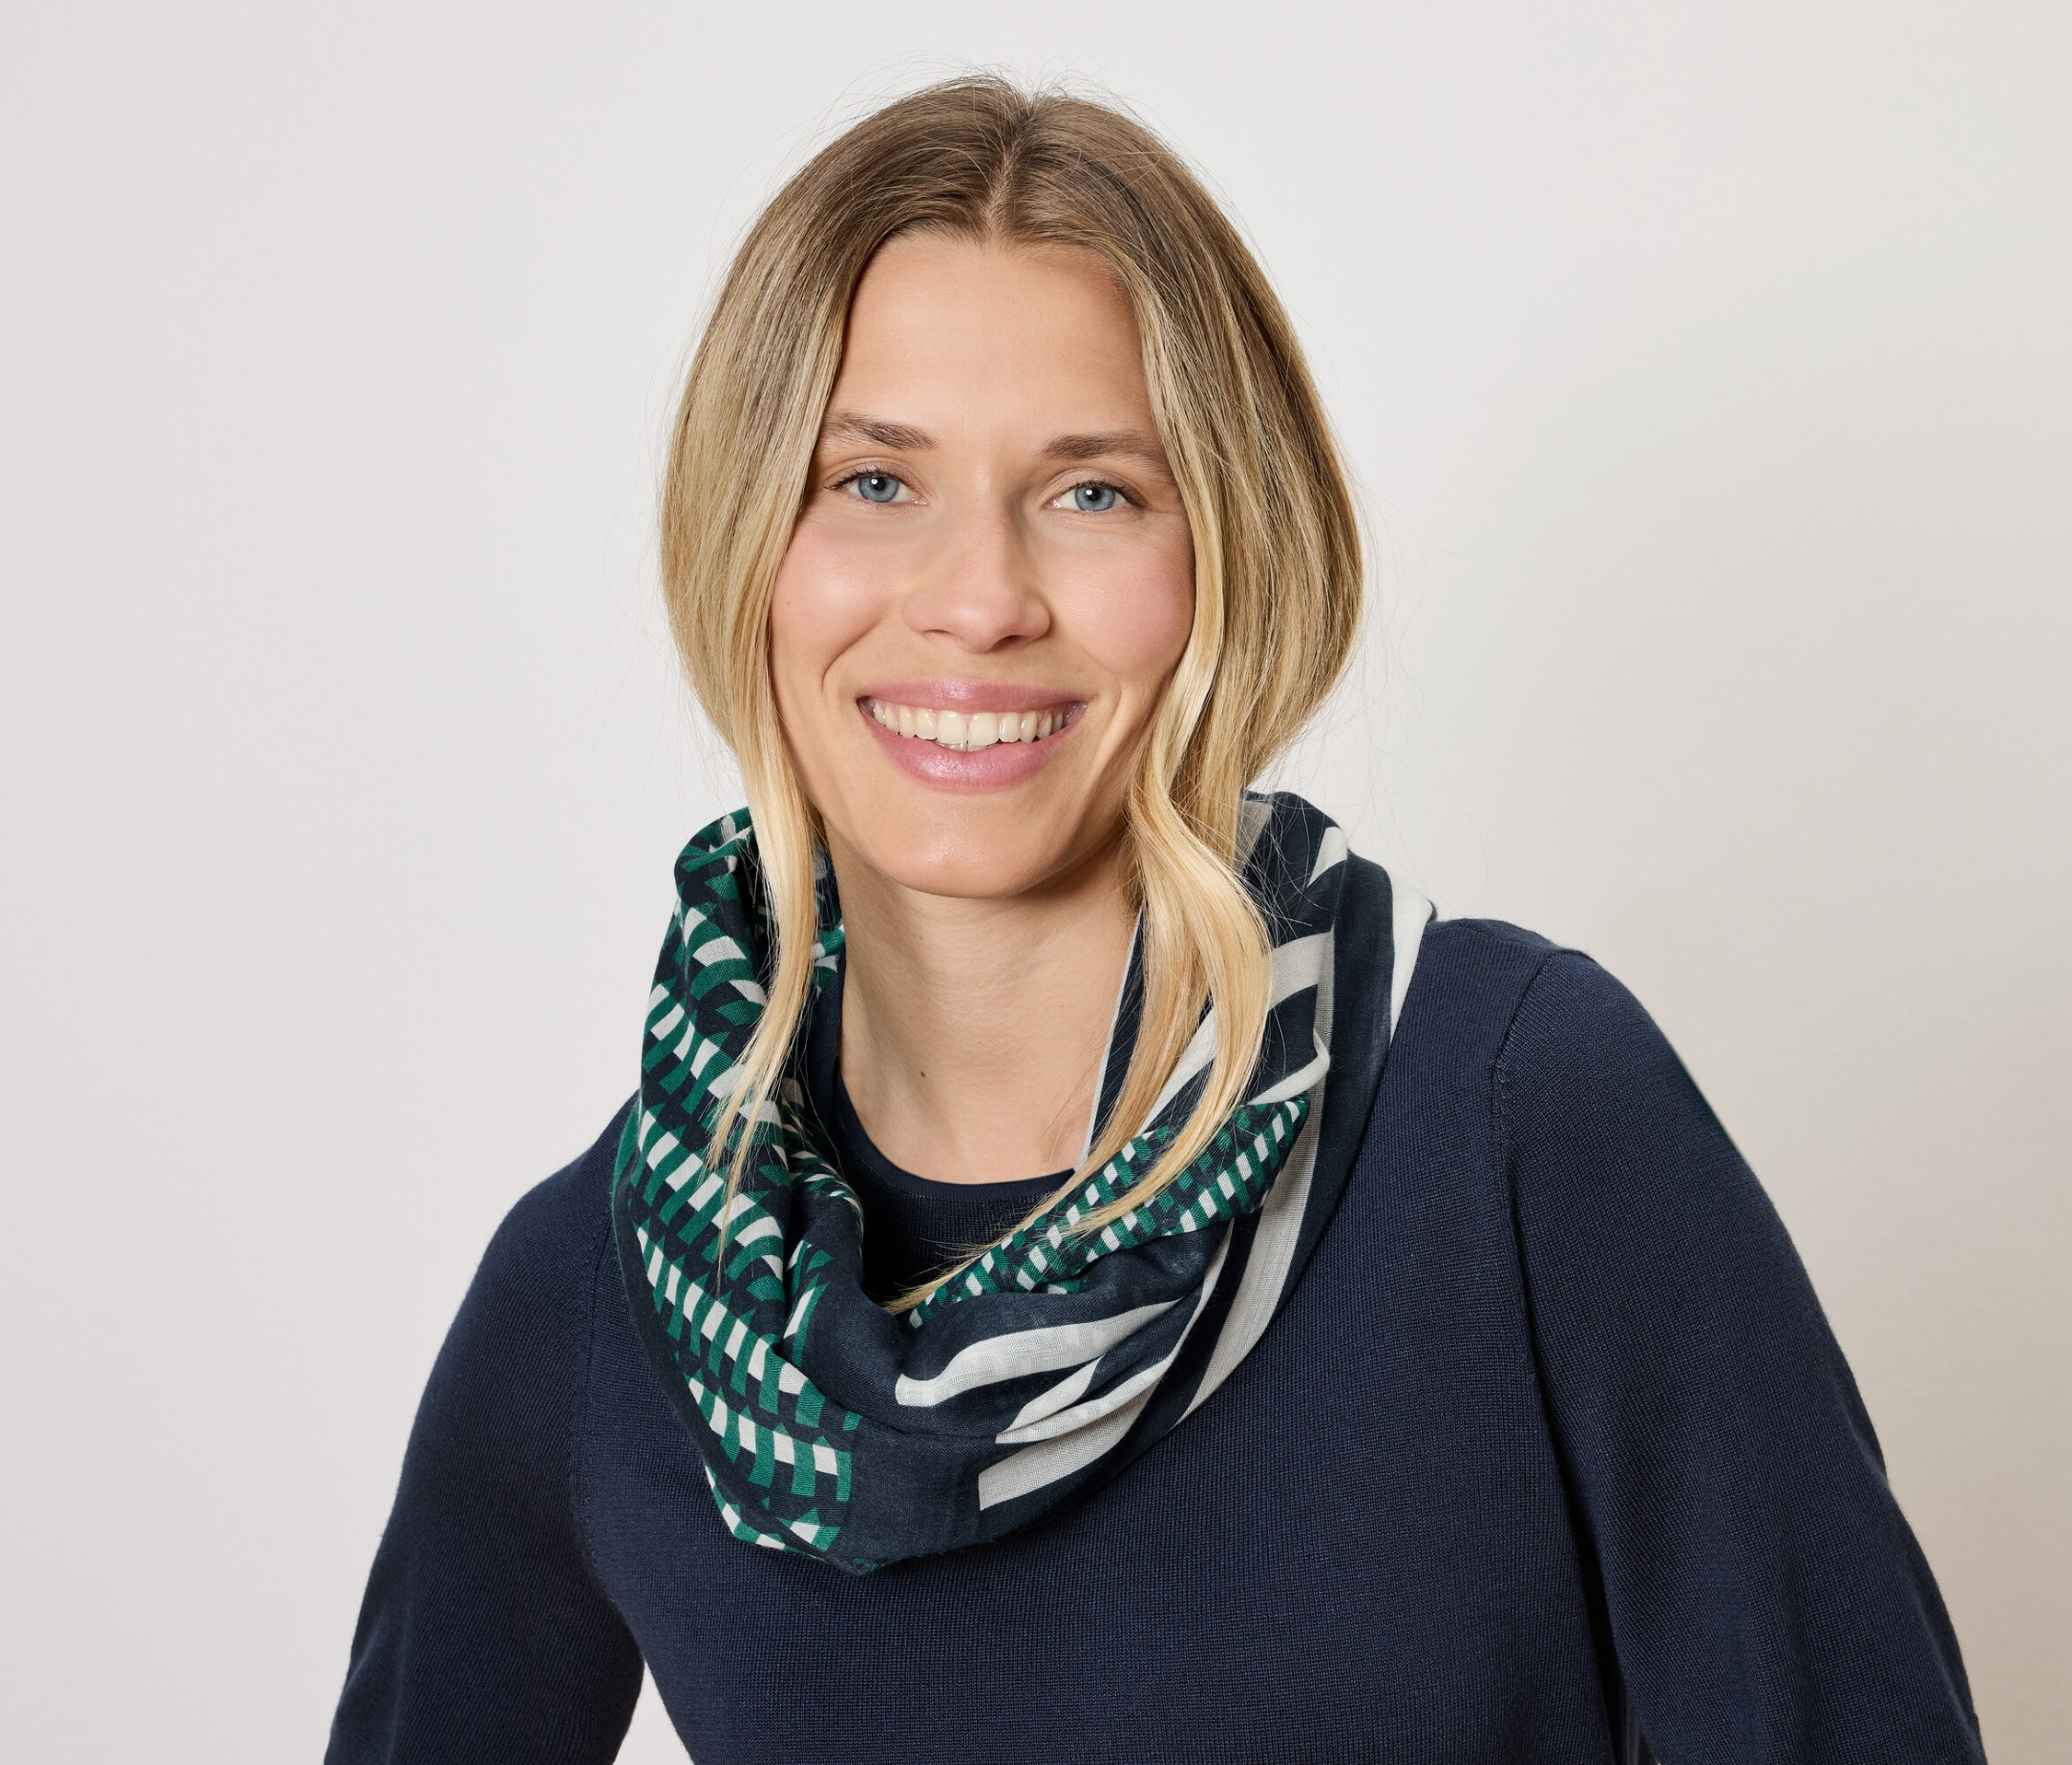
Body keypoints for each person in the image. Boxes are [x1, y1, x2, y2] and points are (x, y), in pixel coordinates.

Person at [328, 77, 1985, 1765]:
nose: (977, 598)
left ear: (1229, 553)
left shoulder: (1514, 1117)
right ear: (744, 543)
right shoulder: (612, 1293)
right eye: (872, 481)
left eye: (1093, 490)